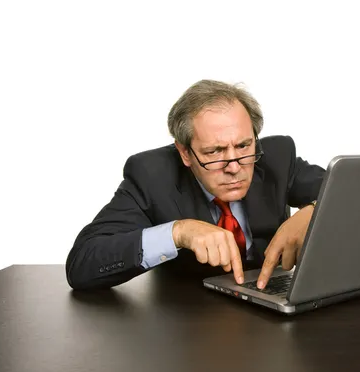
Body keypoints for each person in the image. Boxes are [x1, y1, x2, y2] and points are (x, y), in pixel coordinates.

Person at [65, 79, 325, 291]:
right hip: (188, 328)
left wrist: (315, 212)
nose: (234, 166)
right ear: (185, 153)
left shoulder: (278, 157)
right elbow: (82, 263)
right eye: (214, 152)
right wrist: (178, 232)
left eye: (244, 145)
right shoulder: (152, 176)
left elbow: (357, 195)